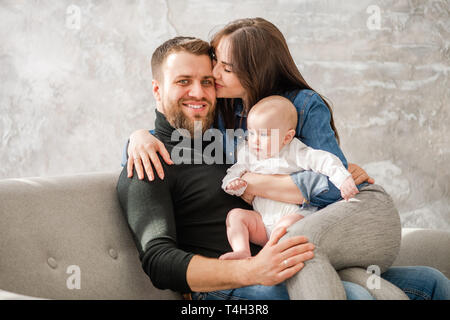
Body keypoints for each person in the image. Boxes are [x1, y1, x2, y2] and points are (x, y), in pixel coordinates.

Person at [120, 18, 450, 300]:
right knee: (358, 296)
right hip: (230, 284)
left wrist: (332, 174)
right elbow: (159, 262)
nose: (199, 92)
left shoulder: (224, 135)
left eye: (207, 81)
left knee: (431, 282)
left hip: (292, 257)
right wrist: (251, 269)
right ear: (157, 90)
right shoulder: (148, 161)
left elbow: (295, 159)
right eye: (182, 82)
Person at [220, 95, 358, 260]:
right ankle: (242, 252)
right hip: (263, 223)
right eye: (251, 133)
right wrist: (232, 183)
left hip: (295, 217)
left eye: (263, 135)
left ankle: (265, 258)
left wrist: (343, 180)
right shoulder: (248, 154)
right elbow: (234, 171)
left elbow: (325, 160)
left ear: (286, 137)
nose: (255, 141)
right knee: (235, 216)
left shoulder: (293, 152)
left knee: (286, 226)